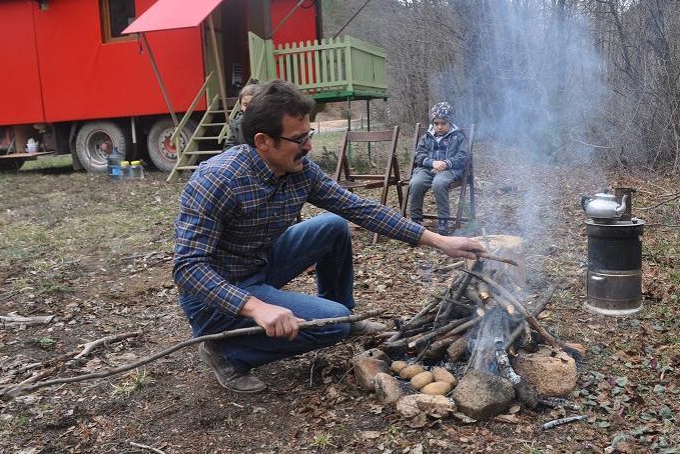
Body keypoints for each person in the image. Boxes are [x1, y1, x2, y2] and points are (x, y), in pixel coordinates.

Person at [173, 80, 486, 394]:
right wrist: (255, 307)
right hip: (214, 297)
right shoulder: (217, 179)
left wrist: (438, 240)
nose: (308, 146)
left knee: (333, 225)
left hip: (258, 264)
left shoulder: (300, 171)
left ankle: (340, 318)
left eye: (309, 135)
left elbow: (359, 208)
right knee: (331, 323)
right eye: (298, 139)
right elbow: (188, 269)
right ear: (263, 142)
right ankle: (227, 352)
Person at [408, 102, 469, 236]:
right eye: (436, 123)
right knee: (416, 183)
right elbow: (418, 155)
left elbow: (463, 156)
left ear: (450, 123)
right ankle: (415, 220)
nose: (439, 127)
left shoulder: (457, 136)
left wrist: (446, 163)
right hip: (428, 168)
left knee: (439, 183)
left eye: (443, 123)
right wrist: (432, 162)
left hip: (449, 170)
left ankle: (443, 221)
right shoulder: (427, 137)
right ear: (433, 123)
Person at [222, 83, 259, 150]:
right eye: (245, 104)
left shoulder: (267, 122)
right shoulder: (236, 124)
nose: (248, 108)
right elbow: (228, 146)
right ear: (240, 105)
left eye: (252, 105)